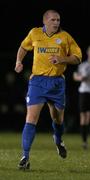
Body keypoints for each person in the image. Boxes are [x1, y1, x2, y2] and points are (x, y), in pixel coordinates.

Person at [15, 9, 82, 169]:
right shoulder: (35, 33)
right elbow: (24, 47)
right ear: (45, 21)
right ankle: (25, 156)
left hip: (57, 83)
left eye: (58, 20)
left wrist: (63, 59)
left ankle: (58, 140)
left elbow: (78, 57)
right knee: (31, 119)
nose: (56, 23)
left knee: (58, 120)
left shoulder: (65, 37)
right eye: (53, 20)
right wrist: (18, 61)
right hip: (37, 82)